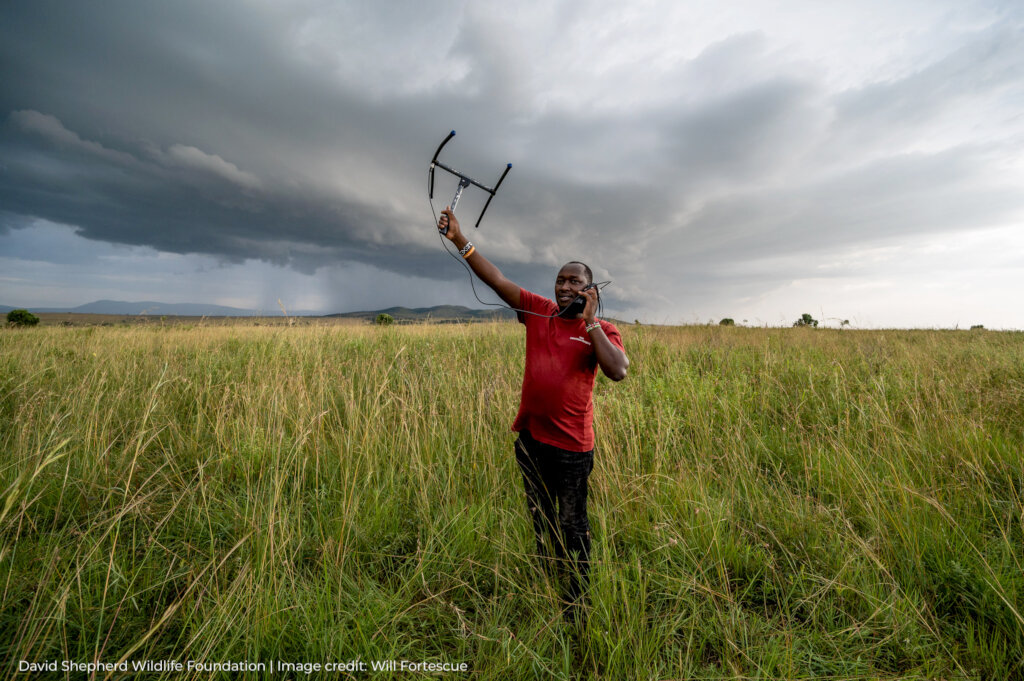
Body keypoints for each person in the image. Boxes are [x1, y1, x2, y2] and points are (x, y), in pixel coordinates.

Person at [437, 207, 629, 625]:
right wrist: (459, 240)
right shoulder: (538, 311)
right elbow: (499, 281)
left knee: (572, 525)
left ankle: (576, 607)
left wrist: (591, 323)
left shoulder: (602, 330)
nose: (563, 286)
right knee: (540, 517)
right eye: (560, 279)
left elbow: (617, 370)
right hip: (531, 441)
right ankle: (543, 583)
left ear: (590, 288)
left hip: (572, 451)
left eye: (573, 281)